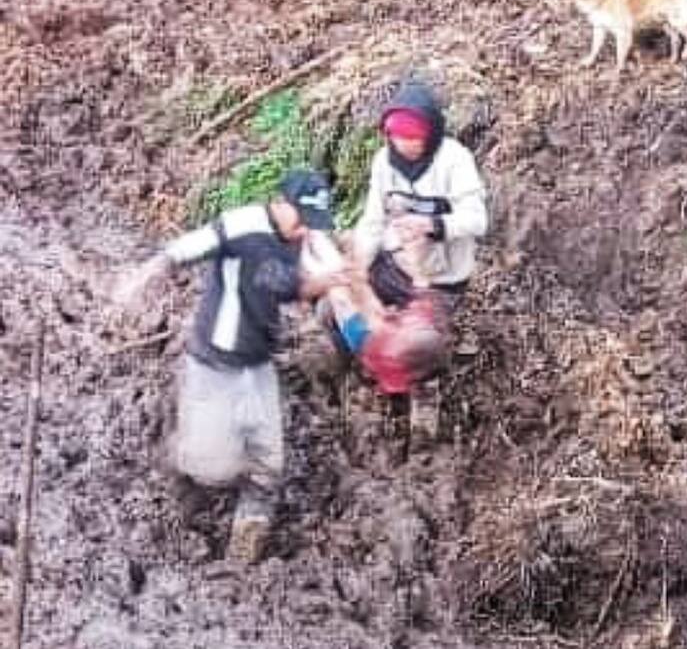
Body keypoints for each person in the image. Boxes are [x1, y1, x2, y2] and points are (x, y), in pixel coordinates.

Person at [117, 170, 347, 563]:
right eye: (302, 219)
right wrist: (146, 275)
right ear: (281, 203)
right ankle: (182, 463)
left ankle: (244, 552)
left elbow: (286, 285)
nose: (305, 230)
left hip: (258, 360)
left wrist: (327, 282)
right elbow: (190, 246)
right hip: (216, 360)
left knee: (267, 462)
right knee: (213, 468)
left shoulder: (300, 238)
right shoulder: (244, 226)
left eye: (312, 223)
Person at [348, 80, 488, 441]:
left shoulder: (454, 160)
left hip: (443, 277)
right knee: (337, 309)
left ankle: (424, 420)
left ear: (431, 132)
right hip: (397, 264)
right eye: (397, 137)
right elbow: (372, 220)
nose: (405, 145)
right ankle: (372, 372)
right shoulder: (384, 163)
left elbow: (477, 220)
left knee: (422, 345)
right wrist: (359, 268)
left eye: (414, 137)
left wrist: (432, 225)